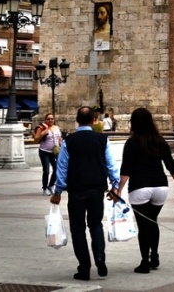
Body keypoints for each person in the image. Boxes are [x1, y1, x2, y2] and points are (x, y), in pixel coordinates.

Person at [50, 106, 120, 281]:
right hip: (97, 189)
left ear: (77, 120)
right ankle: (100, 257)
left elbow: (62, 167)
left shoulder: (69, 141)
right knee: (96, 224)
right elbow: (111, 164)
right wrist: (115, 185)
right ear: (93, 120)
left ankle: (84, 267)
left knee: (78, 228)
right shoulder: (102, 140)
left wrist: (58, 190)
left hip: (76, 190)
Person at [114, 107, 174, 274]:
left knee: (144, 227)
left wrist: (118, 190)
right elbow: (170, 163)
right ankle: (155, 256)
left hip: (140, 187)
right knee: (153, 221)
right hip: (160, 186)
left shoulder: (131, 143)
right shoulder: (160, 140)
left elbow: (126, 169)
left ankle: (145, 261)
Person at [34, 113, 62, 194]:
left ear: (54, 120)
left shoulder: (56, 128)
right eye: (48, 119)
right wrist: (42, 134)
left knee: (56, 170)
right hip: (44, 152)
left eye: (52, 119)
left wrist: (62, 146)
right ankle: (45, 188)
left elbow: (59, 139)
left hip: (54, 152)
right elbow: (35, 140)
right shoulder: (42, 128)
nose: (50, 120)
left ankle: (51, 185)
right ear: (45, 120)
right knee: (46, 170)